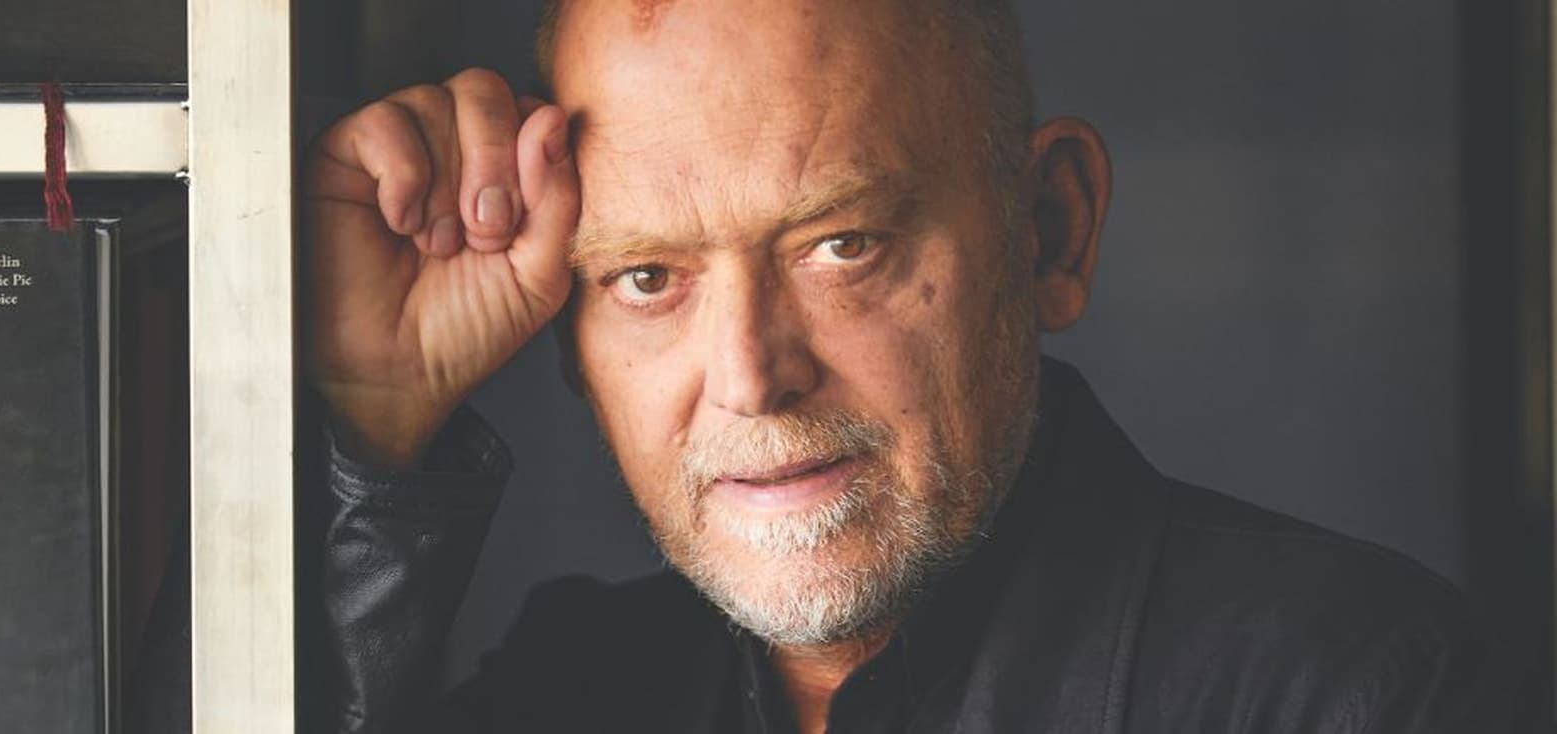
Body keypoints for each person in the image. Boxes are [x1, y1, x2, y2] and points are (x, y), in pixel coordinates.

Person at [303, 0, 1521, 731]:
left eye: (843, 244)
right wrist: (372, 413)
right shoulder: (576, 687)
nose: (748, 375)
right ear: (572, 339)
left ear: (1049, 227)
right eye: (646, 277)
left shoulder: (1348, 692)